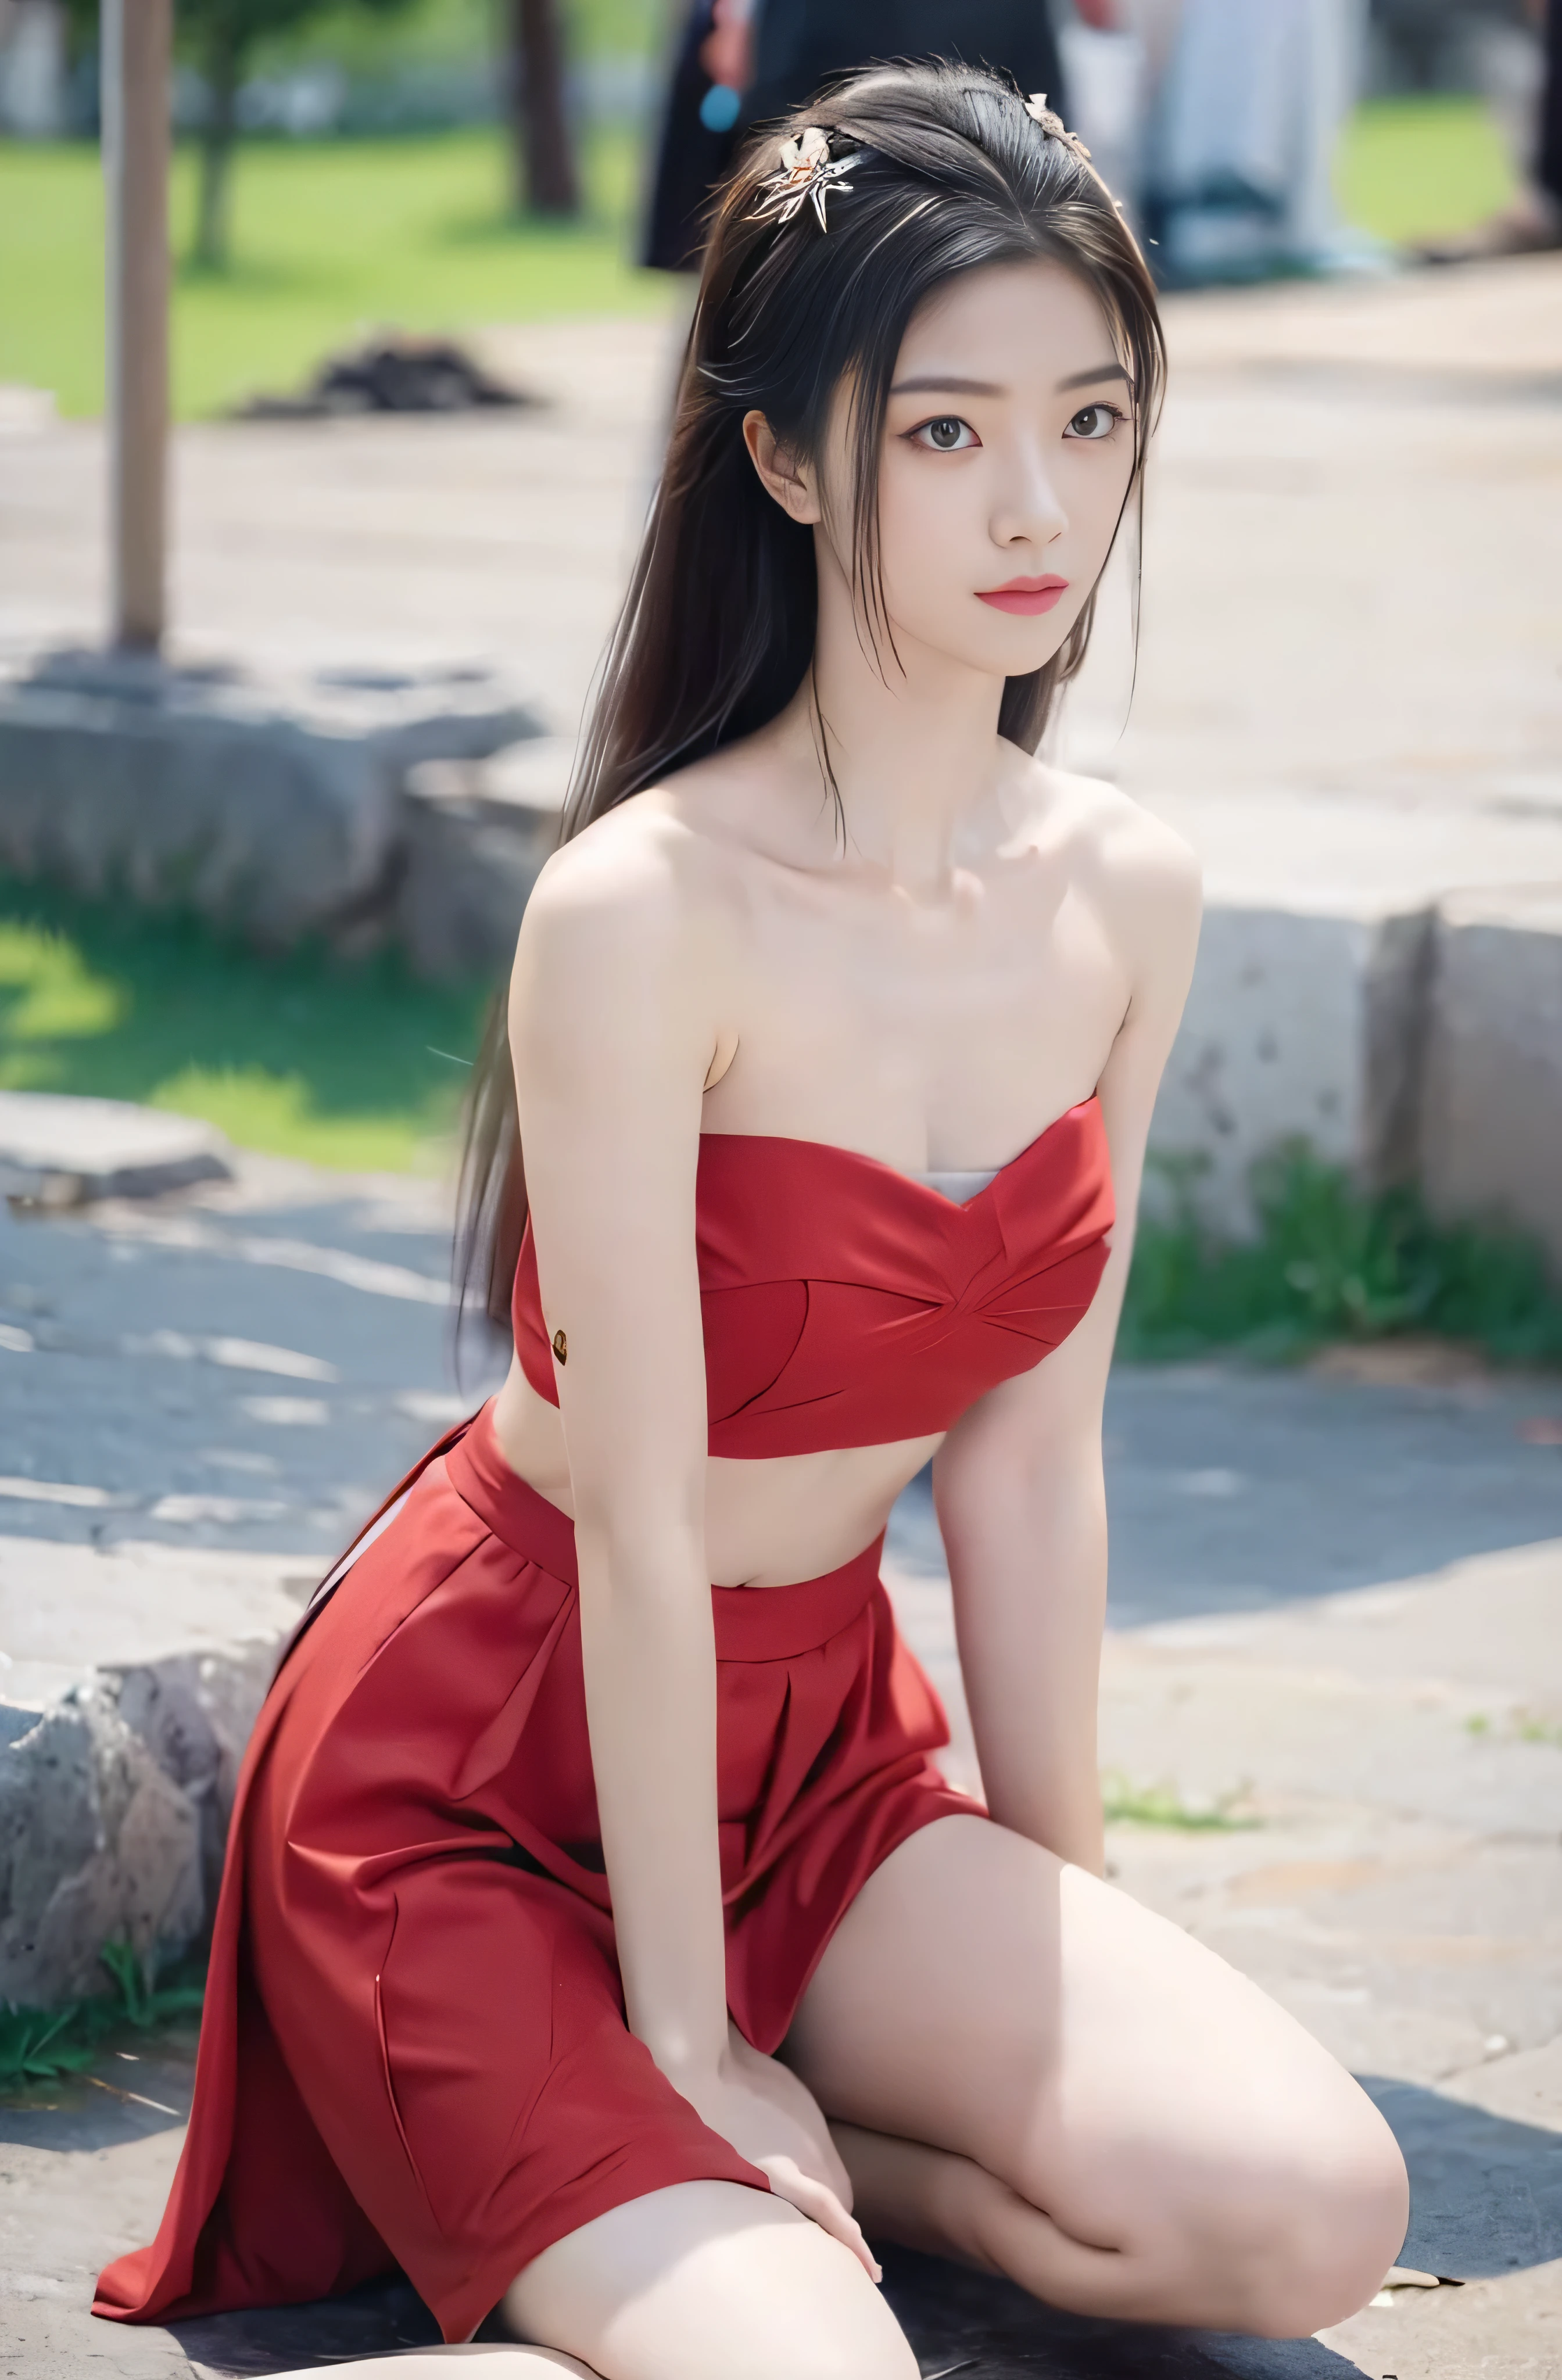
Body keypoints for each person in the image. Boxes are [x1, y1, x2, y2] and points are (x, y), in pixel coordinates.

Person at [94, 63, 1410, 2380]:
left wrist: (1063, 1922)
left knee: (1306, 2208)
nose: (1038, 504)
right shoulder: (642, 912)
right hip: (481, 1783)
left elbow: (1027, 1457)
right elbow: (641, 1516)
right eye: (944, 433)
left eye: (1093, 421)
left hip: (819, 1758)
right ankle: (658, 2138)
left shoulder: (1122, 893)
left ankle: (834, 2174)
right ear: (790, 457)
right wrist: (693, 2037)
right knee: (818, 2373)